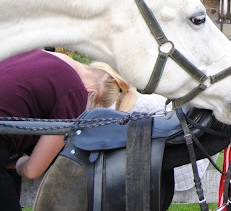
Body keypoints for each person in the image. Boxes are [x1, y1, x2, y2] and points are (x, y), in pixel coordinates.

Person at [0, 49, 136, 210]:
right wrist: (17, 163)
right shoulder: (75, 91)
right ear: (91, 93)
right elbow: (32, 170)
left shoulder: (39, 55)